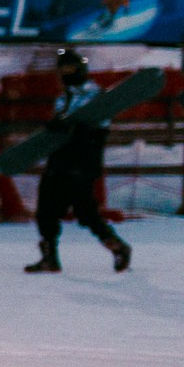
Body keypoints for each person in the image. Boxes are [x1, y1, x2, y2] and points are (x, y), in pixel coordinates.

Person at [27, 48, 131, 274]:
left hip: (83, 160)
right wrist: (54, 128)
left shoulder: (97, 95)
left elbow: (99, 126)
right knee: (46, 210)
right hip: (59, 159)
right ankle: (49, 258)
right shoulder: (63, 99)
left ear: (81, 69)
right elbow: (60, 127)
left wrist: (75, 129)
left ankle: (117, 246)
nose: (67, 74)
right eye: (63, 70)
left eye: (71, 69)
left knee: (85, 210)